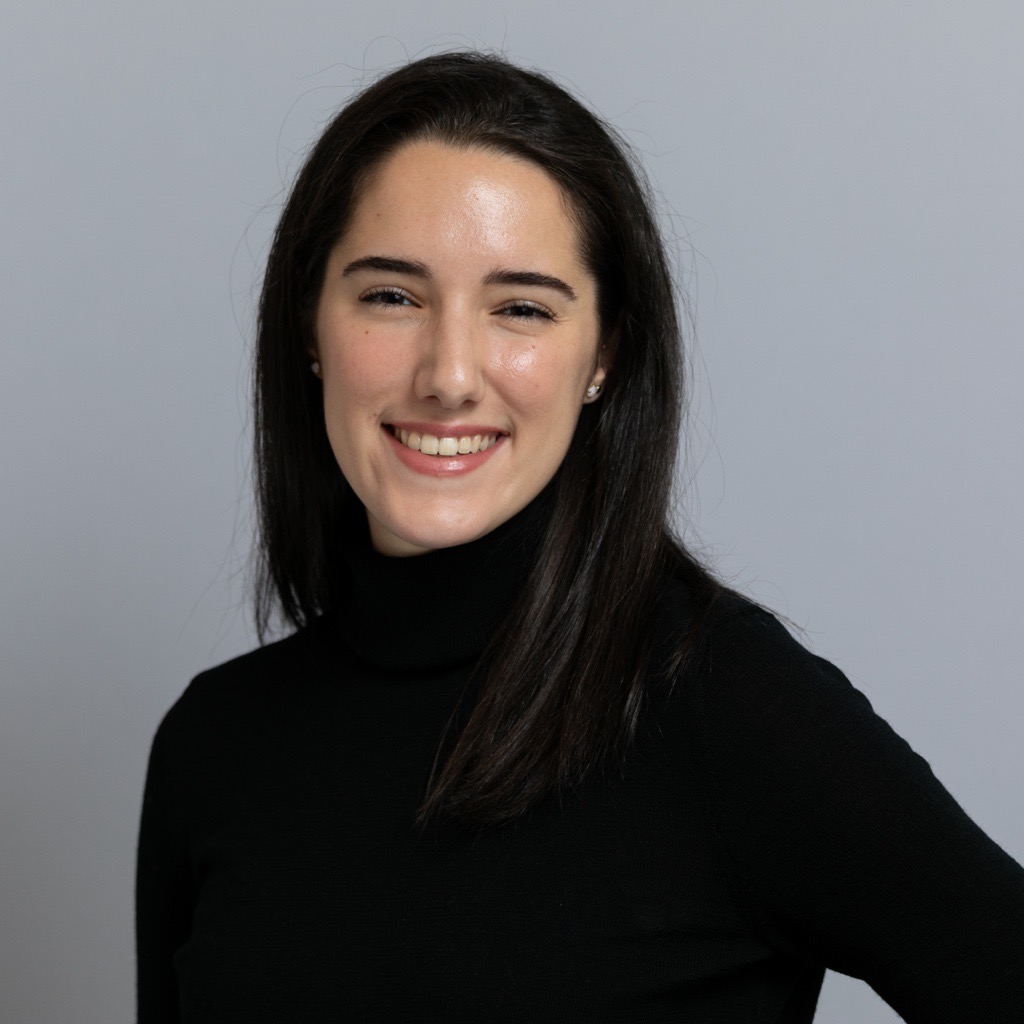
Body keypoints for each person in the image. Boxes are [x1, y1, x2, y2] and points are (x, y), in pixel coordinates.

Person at [135, 51, 1024, 1023]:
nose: (450, 374)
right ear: (310, 325)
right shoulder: (213, 747)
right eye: (392, 295)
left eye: (520, 308)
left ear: (603, 355)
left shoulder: (720, 703)